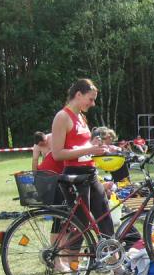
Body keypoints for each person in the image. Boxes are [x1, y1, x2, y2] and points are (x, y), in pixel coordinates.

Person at [50, 79, 117, 242]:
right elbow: (57, 154)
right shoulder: (62, 117)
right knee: (81, 226)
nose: (93, 104)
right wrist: (89, 150)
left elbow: (80, 147)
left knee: (105, 217)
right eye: (91, 99)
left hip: (90, 173)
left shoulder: (81, 117)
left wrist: (95, 146)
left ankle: (113, 257)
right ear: (78, 95)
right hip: (74, 176)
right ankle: (71, 258)